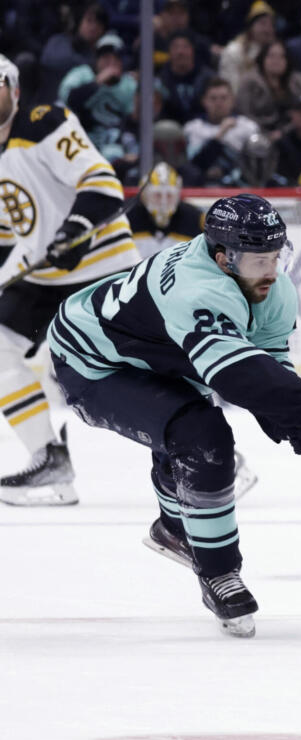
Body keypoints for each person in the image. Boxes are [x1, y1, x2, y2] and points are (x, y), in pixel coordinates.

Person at [47, 193, 301, 637]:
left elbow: (266, 357)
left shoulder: (272, 286)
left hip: (159, 352)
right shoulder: (198, 288)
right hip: (93, 362)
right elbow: (236, 375)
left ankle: (174, 528)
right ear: (223, 257)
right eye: (258, 260)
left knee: (187, 427)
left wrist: (297, 422)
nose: (271, 271)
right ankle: (218, 570)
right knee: (202, 435)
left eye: (277, 256)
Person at [0, 53, 142, 505]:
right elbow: (7, 234)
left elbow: (102, 184)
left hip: (102, 262)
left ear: (14, 90)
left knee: (141, 370)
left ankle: (215, 456)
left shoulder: (45, 123)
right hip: (42, 272)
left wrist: (74, 230)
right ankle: (49, 461)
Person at [58, 32, 136, 163]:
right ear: (97, 59)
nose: (111, 64)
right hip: (81, 138)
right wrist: (98, 81)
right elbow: (69, 99)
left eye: (116, 59)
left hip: (114, 142)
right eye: (106, 58)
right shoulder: (82, 74)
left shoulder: (129, 84)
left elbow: (135, 121)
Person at [184, 78, 262, 185]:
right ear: (204, 101)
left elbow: (255, 166)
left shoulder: (248, 127)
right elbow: (194, 165)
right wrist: (220, 133)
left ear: (232, 101)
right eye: (213, 98)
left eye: (224, 98)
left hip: (239, 188)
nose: (218, 103)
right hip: (201, 188)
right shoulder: (193, 128)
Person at [127, 162, 205, 258]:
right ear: (145, 195)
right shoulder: (127, 219)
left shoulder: (196, 219)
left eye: (169, 196)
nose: (163, 202)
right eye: (157, 195)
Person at [236, 40, 301, 139]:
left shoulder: (297, 81)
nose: (276, 61)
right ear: (262, 59)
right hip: (256, 133)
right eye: (271, 56)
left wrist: (284, 132)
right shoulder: (249, 82)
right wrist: (266, 134)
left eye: (281, 56)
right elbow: (244, 114)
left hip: (293, 133)